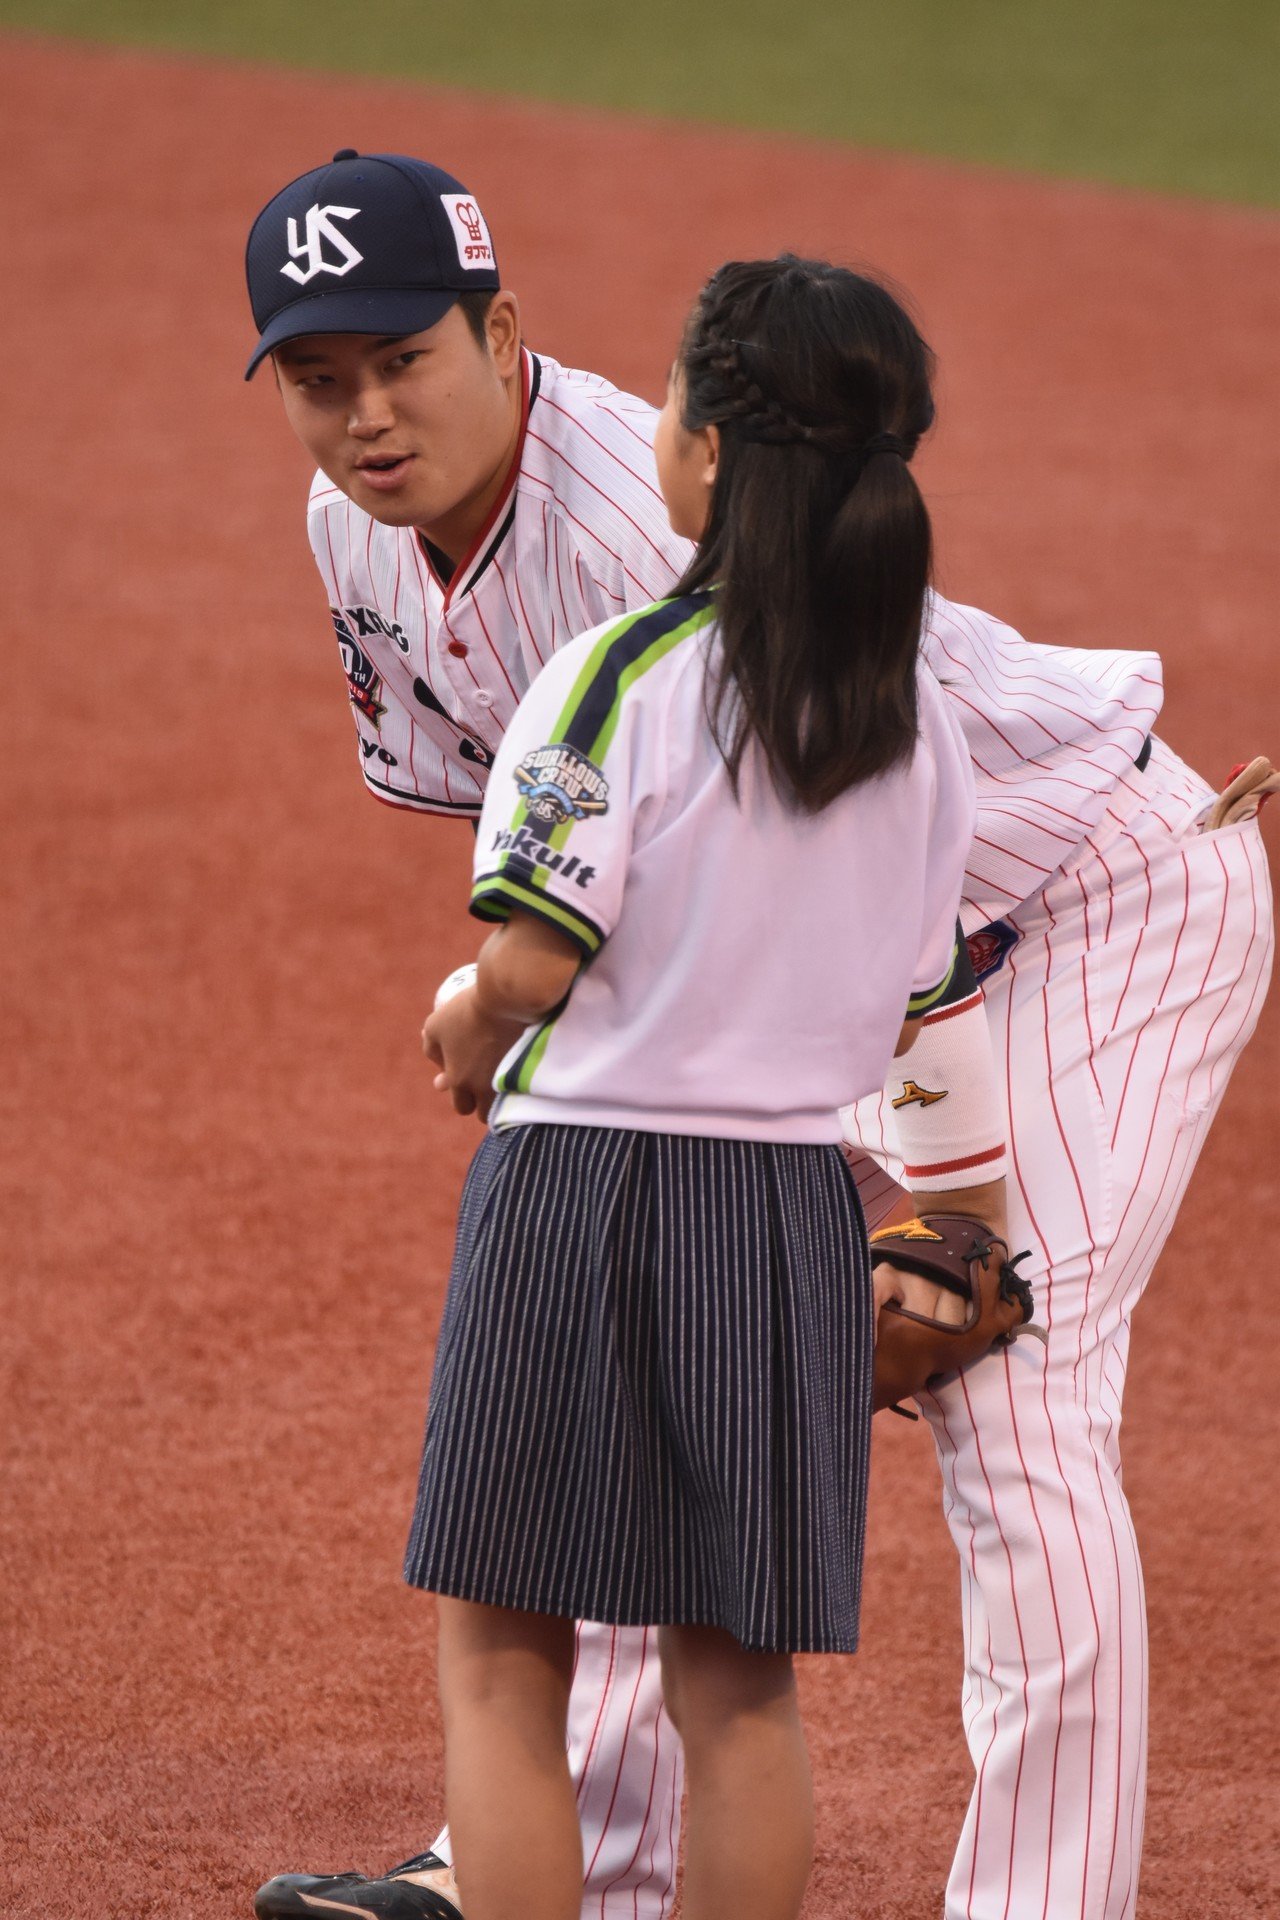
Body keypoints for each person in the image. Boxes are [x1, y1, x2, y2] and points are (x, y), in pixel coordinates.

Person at [244, 154, 1275, 1920]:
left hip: (1084, 900)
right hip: (877, 956)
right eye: (317, 377)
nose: (367, 416)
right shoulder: (360, 534)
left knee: (1007, 1385)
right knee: (645, 1358)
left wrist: (925, 1186)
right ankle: (589, 1861)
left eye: (402, 360)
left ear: (503, 334)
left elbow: (869, 868)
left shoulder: (649, 538)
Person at [404, 253, 987, 1920]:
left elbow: (529, 966)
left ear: (713, 449)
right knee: (736, 1689)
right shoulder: (915, 722)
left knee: (504, 1661)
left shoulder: (622, 673)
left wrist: (463, 1024)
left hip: (587, 1186)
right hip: (790, 1211)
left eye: (669, 403)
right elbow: (916, 1007)